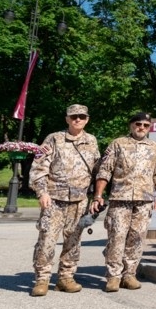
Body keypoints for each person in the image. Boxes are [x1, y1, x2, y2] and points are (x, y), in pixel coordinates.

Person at [29, 104, 100, 297]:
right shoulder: (54, 138)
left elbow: (96, 172)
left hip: (79, 201)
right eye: (74, 116)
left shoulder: (92, 141)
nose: (78, 119)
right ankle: (42, 279)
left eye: (82, 116)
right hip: (55, 199)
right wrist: (42, 193)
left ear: (87, 119)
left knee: (73, 241)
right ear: (67, 119)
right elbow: (38, 168)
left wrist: (97, 197)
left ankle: (66, 277)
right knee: (47, 240)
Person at [90, 112, 156, 292]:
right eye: (138, 124)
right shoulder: (118, 144)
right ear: (131, 125)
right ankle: (113, 276)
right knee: (117, 236)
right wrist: (98, 195)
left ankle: (129, 274)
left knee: (137, 238)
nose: (141, 128)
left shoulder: (154, 147)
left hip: (144, 199)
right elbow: (104, 171)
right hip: (120, 198)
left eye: (146, 125)